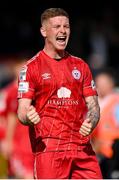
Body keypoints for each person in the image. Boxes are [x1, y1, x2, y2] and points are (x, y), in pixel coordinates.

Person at [17, 8, 102, 179]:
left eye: (66, 26)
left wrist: (91, 122)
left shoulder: (81, 66)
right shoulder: (31, 68)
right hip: (50, 150)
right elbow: (22, 110)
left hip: (81, 149)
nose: (63, 30)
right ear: (44, 31)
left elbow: (94, 106)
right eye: (56, 26)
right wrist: (28, 116)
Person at [0, 56, 34, 179]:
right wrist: (7, 140)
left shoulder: (34, 89)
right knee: (25, 175)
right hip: (19, 144)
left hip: (32, 142)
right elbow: (7, 118)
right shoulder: (10, 92)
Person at [91, 67, 119, 178]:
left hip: (113, 154)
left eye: (104, 83)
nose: (100, 86)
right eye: (98, 82)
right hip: (97, 153)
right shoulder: (92, 103)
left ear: (111, 84)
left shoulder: (116, 102)